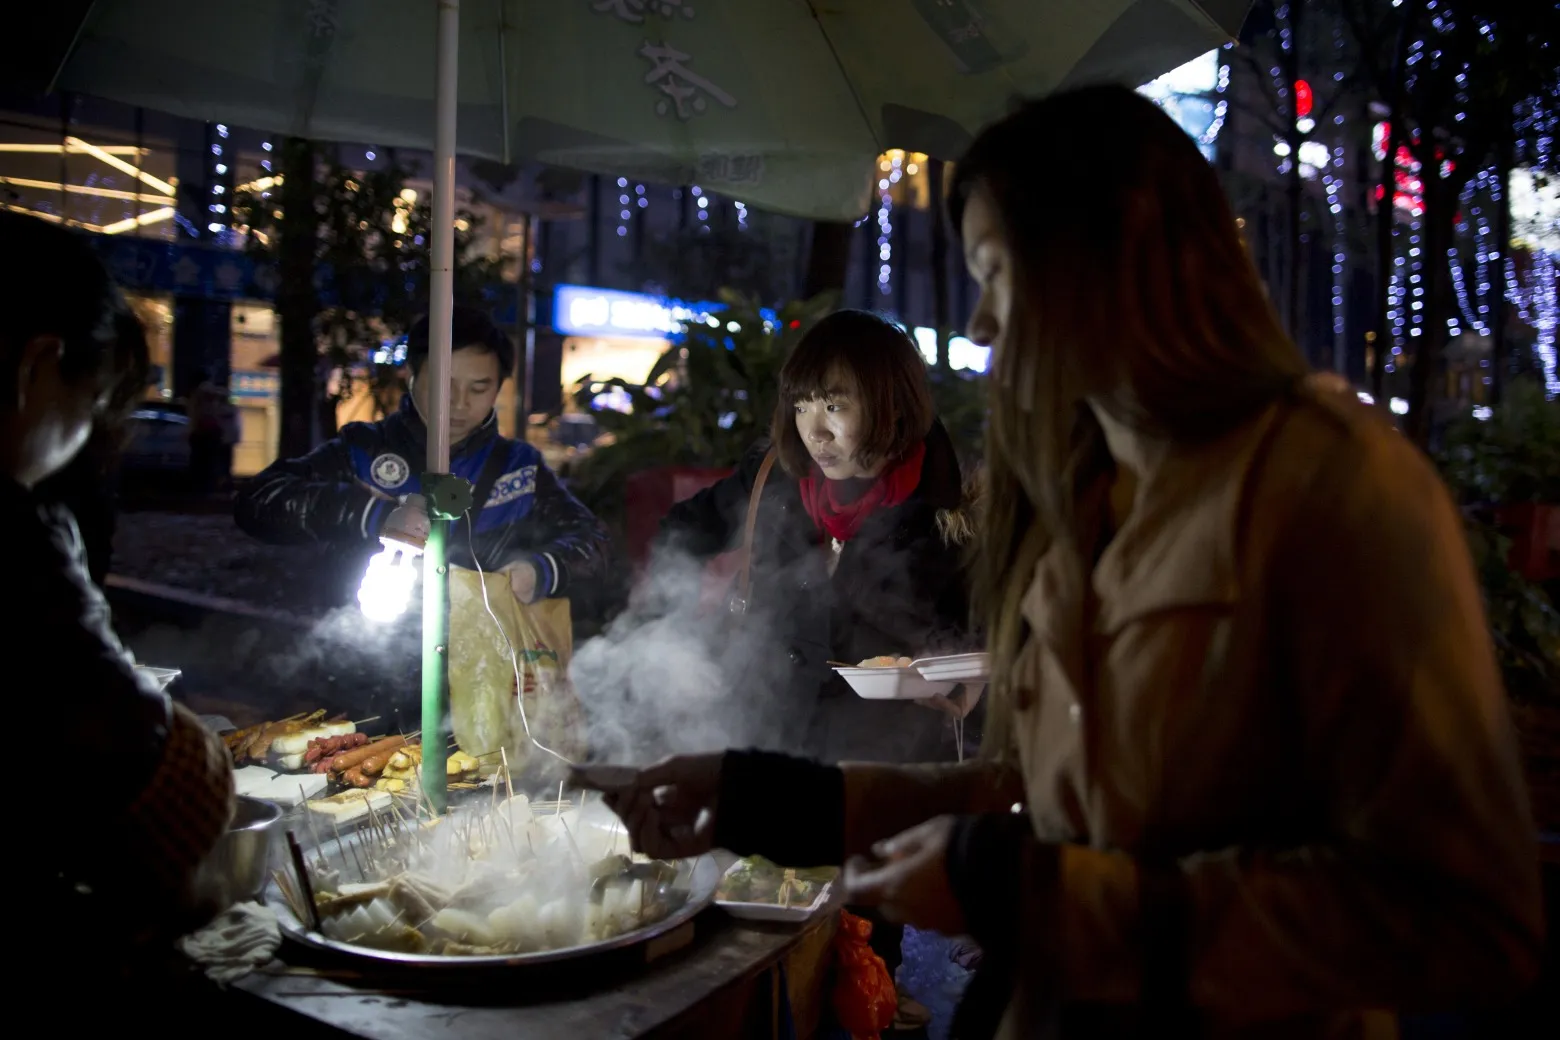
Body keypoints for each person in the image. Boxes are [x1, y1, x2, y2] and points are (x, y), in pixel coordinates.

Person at [585, 85, 1543, 1038]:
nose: (983, 329)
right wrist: (768, 798)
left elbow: (1462, 918)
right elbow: (1043, 788)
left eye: (1001, 276)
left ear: (1123, 259)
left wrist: (1022, 889)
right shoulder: (1081, 499)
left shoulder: (1331, 484)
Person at [650, 309, 977, 1027]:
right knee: (764, 960)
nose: (814, 430)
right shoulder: (771, 475)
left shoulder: (952, 506)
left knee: (868, 968)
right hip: (773, 735)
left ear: (889, 402)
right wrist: (668, 635)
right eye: (801, 404)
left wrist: (962, 681)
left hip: (885, 767)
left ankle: (878, 996)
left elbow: (986, 633)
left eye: (836, 405)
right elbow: (679, 534)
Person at [1, 212, 236, 986]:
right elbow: (139, 770)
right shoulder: (13, 531)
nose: (91, 433)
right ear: (39, 365)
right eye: (96, 400)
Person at [235, 305, 611, 720]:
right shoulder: (363, 450)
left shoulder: (518, 468)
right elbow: (259, 501)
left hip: (479, 691)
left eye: (479, 388)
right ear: (411, 374)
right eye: (443, 385)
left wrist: (539, 570)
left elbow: (592, 541)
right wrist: (371, 515)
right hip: (360, 677)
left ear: (499, 387)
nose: (458, 404)